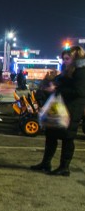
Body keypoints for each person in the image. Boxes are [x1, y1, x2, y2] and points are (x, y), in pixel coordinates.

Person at [30, 46, 85, 176]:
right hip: (60, 108)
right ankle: (46, 163)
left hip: (72, 109)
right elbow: (61, 82)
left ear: (75, 58)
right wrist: (51, 82)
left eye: (67, 58)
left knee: (67, 138)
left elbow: (80, 92)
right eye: (63, 58)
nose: (64, 61)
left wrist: (57, 90)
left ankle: (64, 167)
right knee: (51, 135)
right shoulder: (69, 70)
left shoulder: (81, 72)